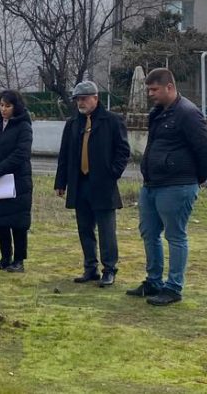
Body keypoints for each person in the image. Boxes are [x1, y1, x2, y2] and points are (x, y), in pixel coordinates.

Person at [127, 68, 207, 306]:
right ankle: (153, 281)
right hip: (152, 185)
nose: (150, 94)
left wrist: (199, 178)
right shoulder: (157, 113)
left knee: (175, 236)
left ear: (169, 87)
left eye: (154, 89)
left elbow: (205, 150)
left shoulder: (188, 113)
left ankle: (174, 287)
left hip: (177, 185)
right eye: (148, 90)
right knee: (149, 232)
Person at [54, 80, 130, 287]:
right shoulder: (72, 124)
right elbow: (64, 155)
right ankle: (90, 268)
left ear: (95, 98)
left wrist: (112, 174)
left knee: (106, 231)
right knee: (84, 228)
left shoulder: (112, 121)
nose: (81, 102)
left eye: (85, 98)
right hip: (80, 184)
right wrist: (61, 182)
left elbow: (123, 152)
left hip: (103, 185)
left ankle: (109, 269)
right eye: (78, 99)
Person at [0, 90, 34, 273]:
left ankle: (19, 260)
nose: (4, 109)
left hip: (17, 181)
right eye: (2, 105)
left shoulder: (23, 126)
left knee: (17, 222)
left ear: (15, 107)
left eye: (8, 106)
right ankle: (4, 258)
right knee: (0, 221)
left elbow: (21, 153)